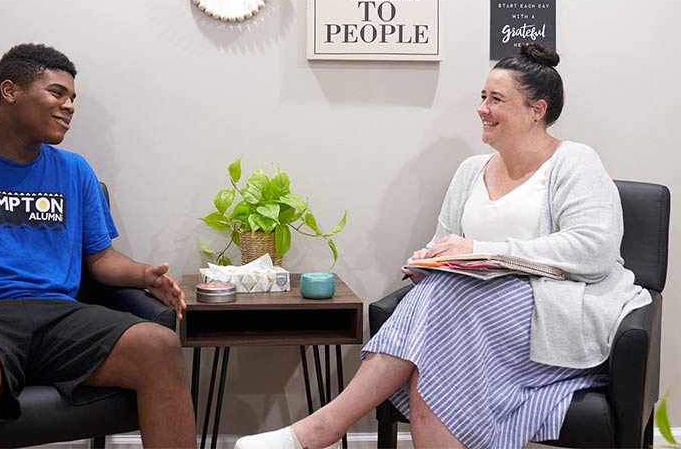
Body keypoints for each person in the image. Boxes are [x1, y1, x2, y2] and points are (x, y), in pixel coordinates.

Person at [235, 44, 651, 449]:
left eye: (496, 99)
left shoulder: (574, 162)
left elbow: (592, 250)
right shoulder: (471, 171)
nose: (482, 108)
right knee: (436, 315)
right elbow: (446, 243)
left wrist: (480, 250)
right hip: (470, 311)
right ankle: (318, 431)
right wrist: (429, 261)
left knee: (439, 324)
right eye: (482, 96)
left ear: (536, 111)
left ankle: (319, 430)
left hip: (551, 313)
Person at [0, 43, 196, 448]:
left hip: (59, 317)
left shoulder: (75, 170)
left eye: (72, 98)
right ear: (10, 91)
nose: (69, 106)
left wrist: (143, 274)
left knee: (160, 345)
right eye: (56, 92)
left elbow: (100, 258)